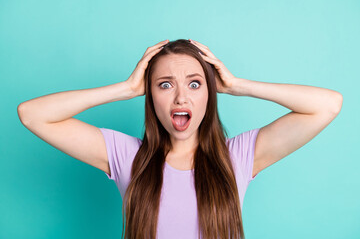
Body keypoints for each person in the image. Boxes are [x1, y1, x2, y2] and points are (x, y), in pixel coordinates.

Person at [17, 39, 343, 239]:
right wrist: (125, 89)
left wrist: (237, 85)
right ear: (150, 96)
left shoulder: (239, 156)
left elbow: (328, 106)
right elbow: (32, 114)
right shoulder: (126, 156)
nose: (180, 98)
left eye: (195, 84)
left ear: (209, 95)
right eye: (165, 84)